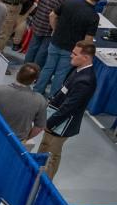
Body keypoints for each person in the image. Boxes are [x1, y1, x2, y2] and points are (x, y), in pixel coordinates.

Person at [38, 42, 97, 178]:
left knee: (50, 156)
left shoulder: (86, 80)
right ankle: (37, 176)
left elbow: (69, 108)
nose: (71, 55)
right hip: (54, 117)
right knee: (46, 149)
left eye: (75, 54)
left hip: (61, 124)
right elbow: (64, 90)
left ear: (86, 58)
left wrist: (49, 123)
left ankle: (43, 185)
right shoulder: (78, 69)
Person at [34, 0, 99, 95]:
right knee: (61, 73)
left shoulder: (69, 2)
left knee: (47, 68)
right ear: (98, 1)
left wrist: (54, 29)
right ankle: (53, 97)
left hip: (55, 42)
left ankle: (37, 90)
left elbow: (52, 15)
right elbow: (88, 39)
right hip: (71, 49)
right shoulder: (94, 16)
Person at [25, 0, 72, 67]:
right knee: (43, 50)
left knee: (33, 46)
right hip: (49, 27)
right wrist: (55, 29)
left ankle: (26, 68)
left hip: (37, 21)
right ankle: (35, 72)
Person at [0, 64, 46, 143]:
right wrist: (26, 138)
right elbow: (39, 127)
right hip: (14, 143)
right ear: (34, 80)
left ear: (17, 73)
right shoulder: (40, 101)